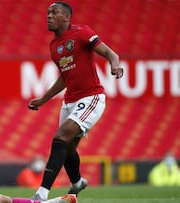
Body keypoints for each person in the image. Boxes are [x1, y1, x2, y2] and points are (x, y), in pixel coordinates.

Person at [28, 1, 124, 201]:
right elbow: (64, 77)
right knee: (68, 148)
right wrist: (43, 100)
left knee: (61, 136)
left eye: (54, 13)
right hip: (69, 101)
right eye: (48, 13)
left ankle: (42, 193)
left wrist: (115, 65)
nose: (49, 16)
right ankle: (77, 182)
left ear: (66, 17)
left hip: (91, 97)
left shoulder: (82, 32)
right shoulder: (54, 46)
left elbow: (110, 53)